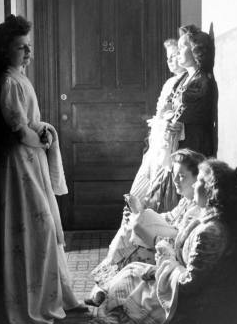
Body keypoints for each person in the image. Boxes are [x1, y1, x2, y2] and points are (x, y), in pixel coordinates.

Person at [68, 159, 237, 324]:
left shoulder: (210, 232)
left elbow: (191, 284)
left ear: (211, 190)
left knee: (139, 287)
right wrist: (159, 267)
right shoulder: (202, 218)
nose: (194, 185)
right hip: (174, 275)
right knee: (131, 271)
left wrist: (165, 260)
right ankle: (112, 319)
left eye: (199, 180)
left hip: (187, 299)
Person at [0, 14, 84, 324]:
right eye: (21, 48)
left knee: (46, 225)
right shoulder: (7, 82)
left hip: (34, 159)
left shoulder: (21, 78)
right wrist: (41, 139)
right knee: (38, 227)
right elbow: (18, 130)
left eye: (29, 47)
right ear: (6, 50)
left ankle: (61, 296)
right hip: (21, 163)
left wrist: (42, 134)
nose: (28, 53)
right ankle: (38, 301)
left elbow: (30, 124)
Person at [85, 149, 205, 307]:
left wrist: (148, 231)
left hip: (170, 252)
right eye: (174, 174)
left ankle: (106, 287)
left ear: (198, 179)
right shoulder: (185, 201)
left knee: (134, 237)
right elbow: (168, 217)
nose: (175, 180)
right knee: (130, 227)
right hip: (164, 240)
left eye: (182, 176)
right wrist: (138, 212)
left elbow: (180, 242)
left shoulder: (197, 210)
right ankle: (105, 286)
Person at [130, 39, 189, 213]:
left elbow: (178, 116)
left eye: (175, 55)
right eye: (168, 57)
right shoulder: (170, 83)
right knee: (139, 191)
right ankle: (137, 229)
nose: (170, 61)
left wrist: (166, 117)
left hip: (170, 145)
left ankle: (151, 230)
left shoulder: (188, 83)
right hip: (157, 143)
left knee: (160, 194)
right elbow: (161, 112)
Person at [168, 24, 218, 158]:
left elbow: (196, 117)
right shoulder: (182, 79)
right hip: (178, 144)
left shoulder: (202, 81)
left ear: (195, 50)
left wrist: (178, 124)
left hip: (194, 146)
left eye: (182, 47)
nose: (177, 53)